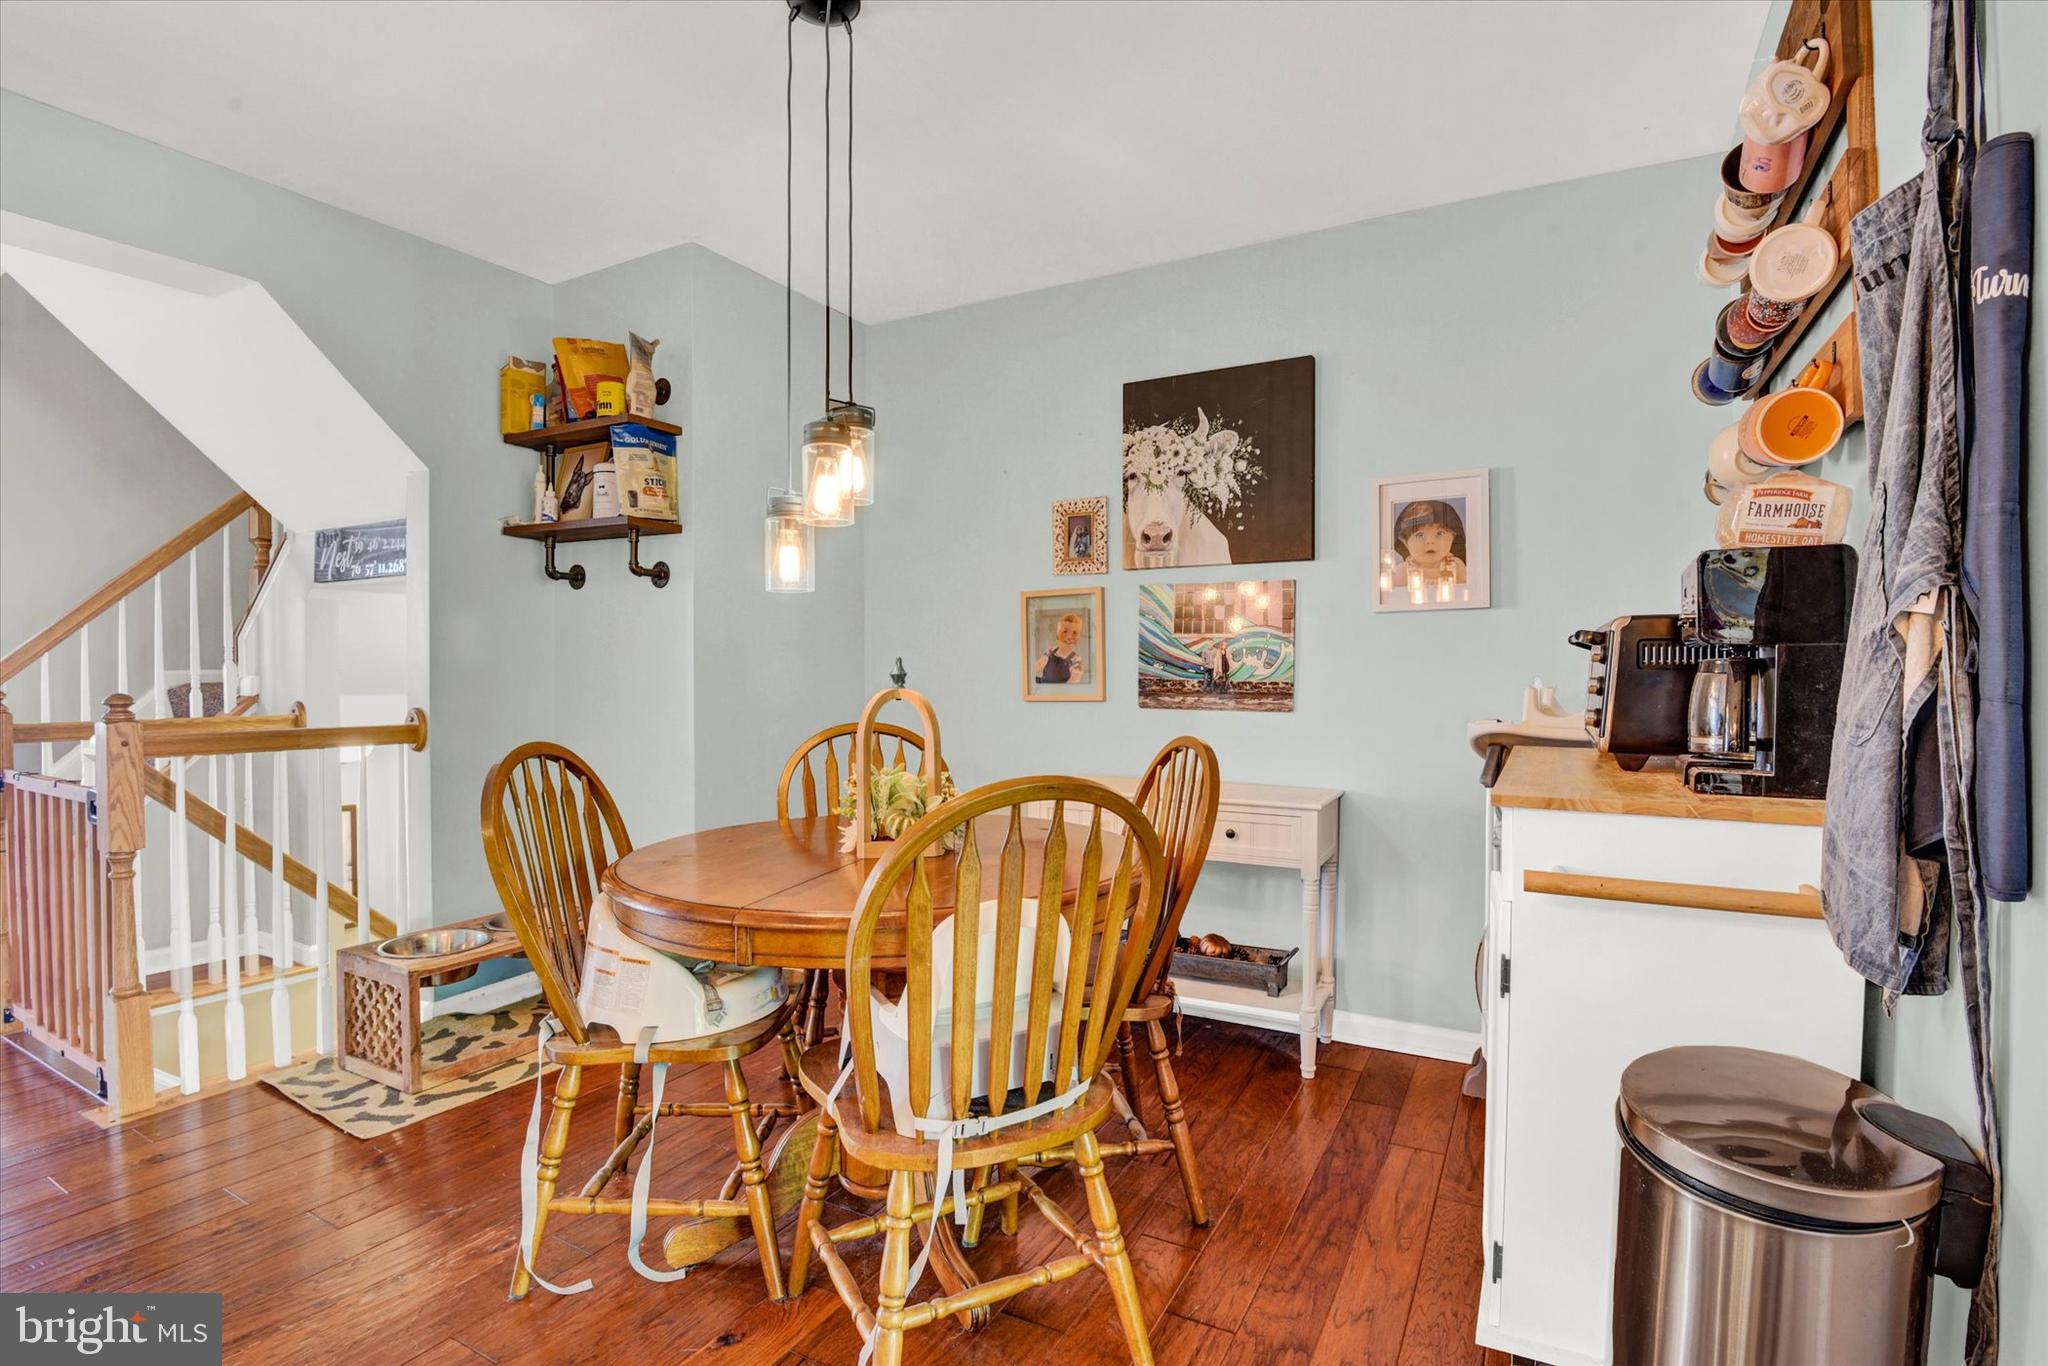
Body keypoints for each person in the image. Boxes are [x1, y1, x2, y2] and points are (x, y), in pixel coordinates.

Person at [1395, 499, 1468, 588]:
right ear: (1405, 542)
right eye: (1420, 535)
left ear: (1453, 537)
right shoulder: (1403, 571)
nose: (1430, 541)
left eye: (1440, 533)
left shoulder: (1456, 567)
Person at [1035, 613, 1088, 685]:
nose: (1069, 636)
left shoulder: (1076, 660)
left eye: (1074, 633)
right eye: (1065, 631)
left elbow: (1074, 681)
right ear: (1057, 635)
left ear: (1078, 638)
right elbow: (1037, 666)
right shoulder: (1051, 651)